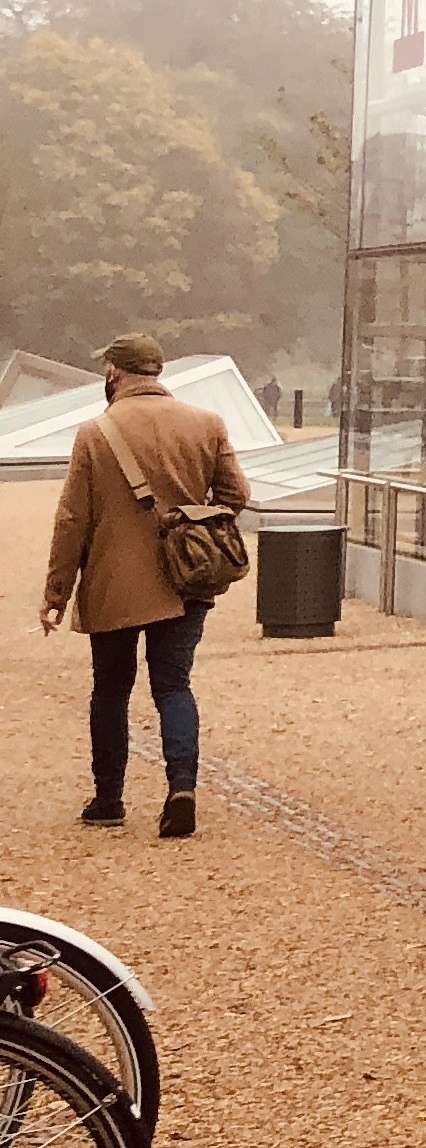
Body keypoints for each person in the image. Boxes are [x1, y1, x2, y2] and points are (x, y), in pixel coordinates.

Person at [38, 334, 250, 838]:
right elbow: (236, 494)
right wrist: (191, 519)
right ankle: (182, 788)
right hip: (186, 577)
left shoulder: (96, 432)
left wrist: (56, 593)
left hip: (114, 583)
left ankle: (109, 799)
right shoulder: (206, 422)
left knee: (111, 689)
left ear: (114, 372)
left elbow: (73, 520)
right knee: (173, 686)